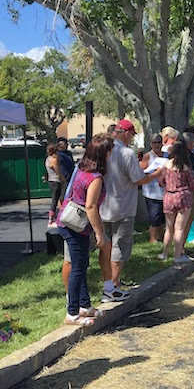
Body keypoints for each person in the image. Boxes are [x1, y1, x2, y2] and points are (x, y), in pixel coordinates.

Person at [99, 119, 162, 302]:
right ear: (125, 133)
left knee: (105, 247)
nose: (131, 139)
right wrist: (157, 173)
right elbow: (139, 179)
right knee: (120, 247)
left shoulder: (104, 150)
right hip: (123, 206)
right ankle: (114, 285)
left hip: (103, 205)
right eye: (131, 135)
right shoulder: (126, 153)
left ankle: (107, 284)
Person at [57, 135, 112, 326]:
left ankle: (85, 306)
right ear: (104, 154)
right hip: (76, 227)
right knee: (78, 269)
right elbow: (90, 207)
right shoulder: (96, 178)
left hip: (68, 222)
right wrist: (99, 232)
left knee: (82, 264)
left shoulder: (81, 168)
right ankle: (72, 313)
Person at [157, 140, 194, 263]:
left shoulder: (166, 165)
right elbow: (193, 185)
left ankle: (164, 253)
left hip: (169, 196)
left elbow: (161, 182)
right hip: (183, 197)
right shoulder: (186, 167)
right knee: (179, 228)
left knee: (169, 228)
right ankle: (177, 255)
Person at [139, 134, 166, 243]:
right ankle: (152, 238)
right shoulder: (148, 156)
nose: (157, 145)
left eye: (159, 142)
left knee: (163, 216)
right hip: (151, 192)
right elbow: (141, 171)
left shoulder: (166, 155)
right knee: (154, 217)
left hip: (165, 191)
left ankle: (160, 236)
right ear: (151, 144)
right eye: (155, 142)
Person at [45, 143, 66, 228]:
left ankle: (57, 217)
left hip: (51, 180)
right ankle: (51, 220)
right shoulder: (54, 160)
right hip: (55, 181)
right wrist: (63, 180)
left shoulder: (47, 159)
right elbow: (58, 172)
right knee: (55, 200)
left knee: (57, 199)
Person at [56, 137, 75, 201]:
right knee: (62, 195)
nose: (64, 145)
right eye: (61, 144)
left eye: (65, 144)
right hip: (63, 177)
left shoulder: (68, 153)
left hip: (71, 176)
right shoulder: (58, 154)